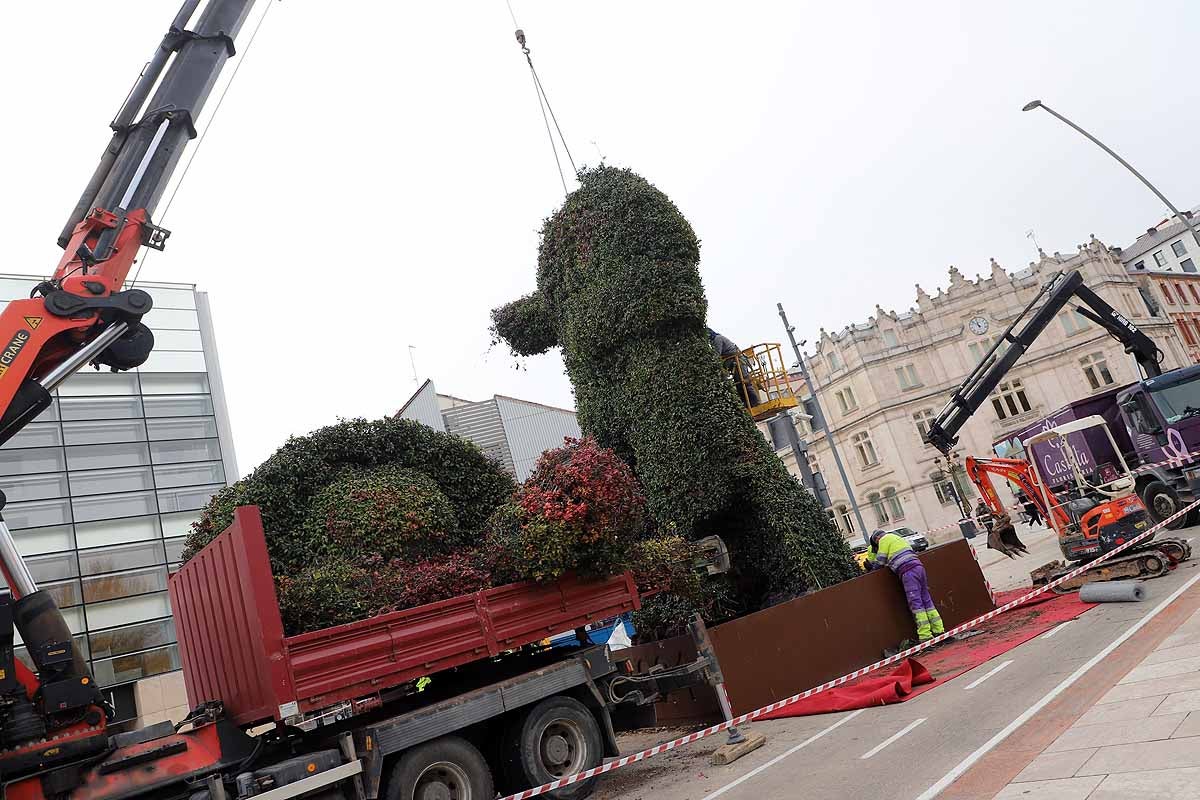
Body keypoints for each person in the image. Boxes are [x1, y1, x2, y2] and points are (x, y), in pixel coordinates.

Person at [866, 529, 945, 643]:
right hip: (918, 567)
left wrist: (872, 568)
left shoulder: (883, 540)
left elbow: (880, 561)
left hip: (908, 572)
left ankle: (925, 635)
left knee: (916, 603)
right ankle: (939, 630)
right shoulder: (896, 538)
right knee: (926, 600)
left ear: (876, 539)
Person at [707, 327, 761, 406]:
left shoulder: (717, 339)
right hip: (734, 363)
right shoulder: (716, 339)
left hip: (738, 361)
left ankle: (755, 403)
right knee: (739, 385)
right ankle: (747, 405)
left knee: (745, 383)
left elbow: (717, 355)